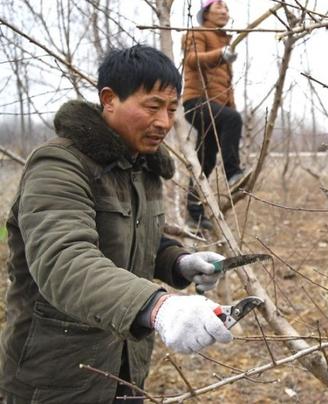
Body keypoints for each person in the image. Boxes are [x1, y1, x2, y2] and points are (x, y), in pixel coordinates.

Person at [0, 45, 234, 403]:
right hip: (55, 378)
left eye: (172, 109)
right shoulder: (59, 166)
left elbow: (133, 238)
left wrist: (178, 262)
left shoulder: (142, 167)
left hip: (125, 367)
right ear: (109, 99)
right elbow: (65, 261)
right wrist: (158, 307)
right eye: (152, 106)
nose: (164, 122)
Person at [182, 0, 246, 230]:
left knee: (205, 160)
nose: (224, 10)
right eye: (219, 6)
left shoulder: (222, 40)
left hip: (215, 108)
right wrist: (221, 54)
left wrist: (231, 110)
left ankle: (195, 212)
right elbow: (191, 60)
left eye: (227, 7)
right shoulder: (197, 33)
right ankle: (233, 174)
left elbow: (225, 87)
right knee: (232, 119)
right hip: (197, 103)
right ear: (206, 12)